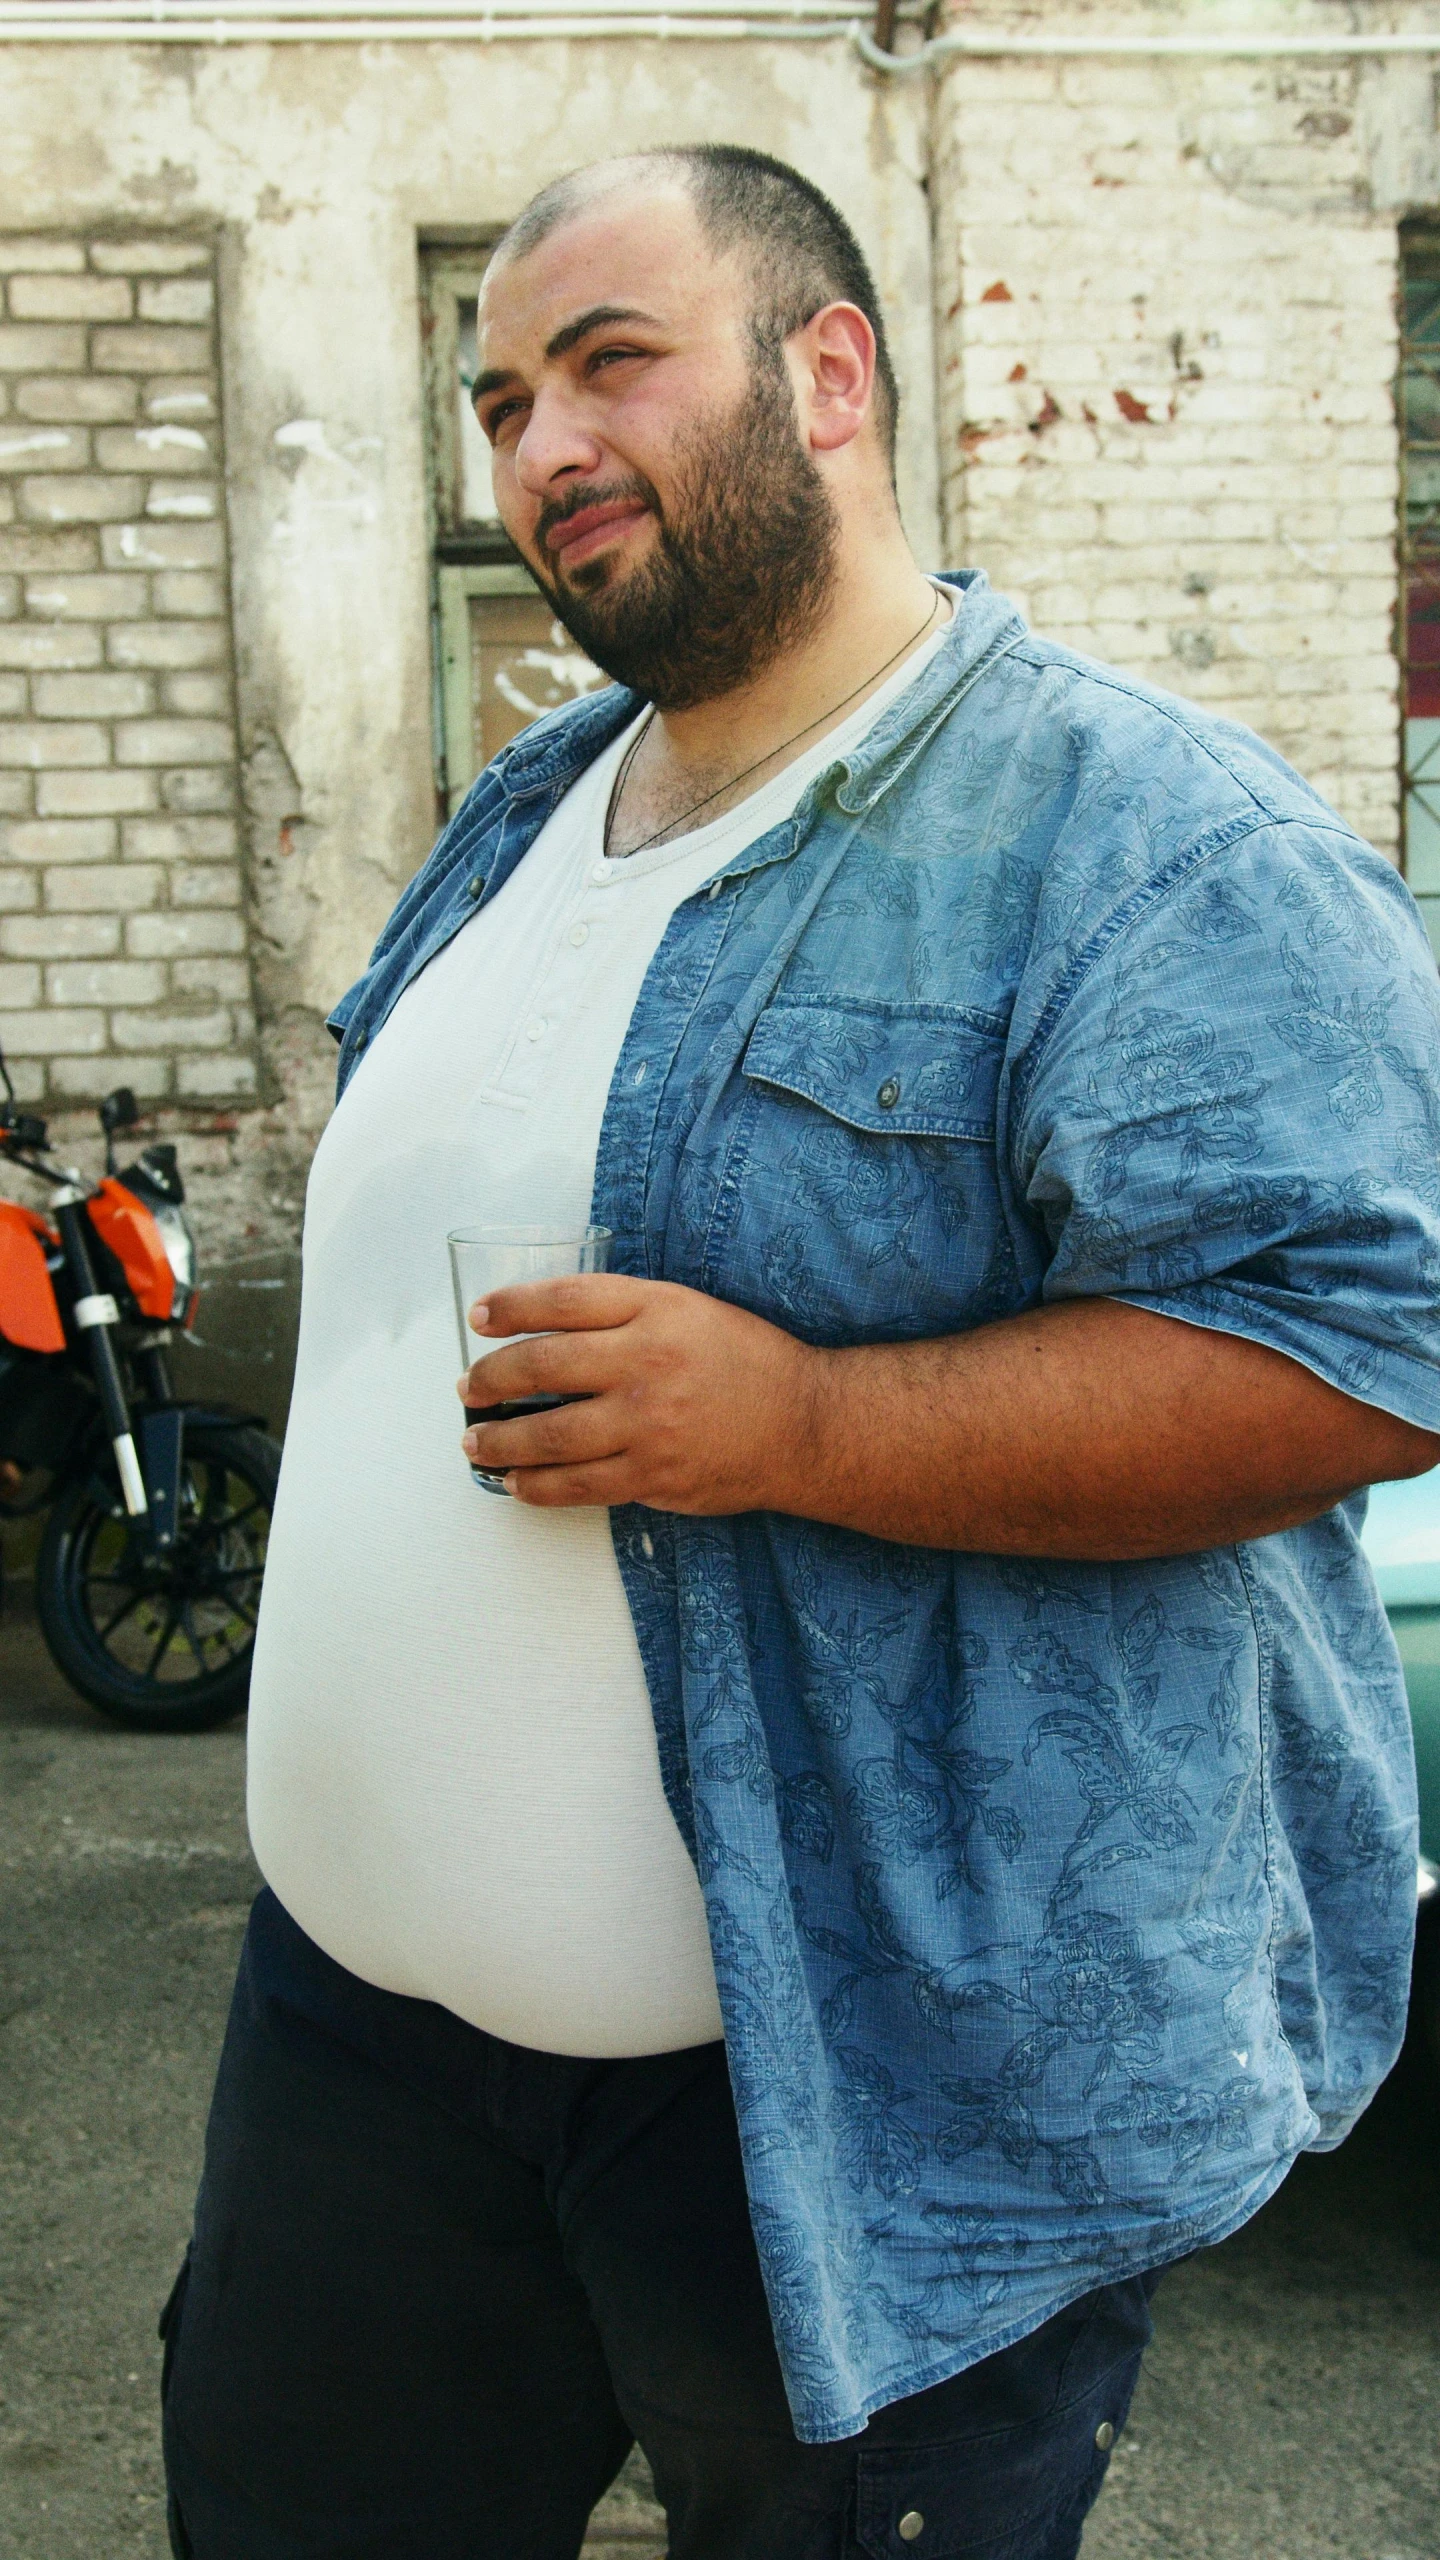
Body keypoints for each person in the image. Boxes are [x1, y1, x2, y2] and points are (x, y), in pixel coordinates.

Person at [161, 145, 1440, 2560]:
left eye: (612, 360)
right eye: (501, 397)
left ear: (827, 371)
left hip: (853, 2085)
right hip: (362, 2040)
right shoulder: (534, 803)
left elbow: (1375, 1344)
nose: (542, 443)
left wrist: (815, 1421)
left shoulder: (1148, 833)